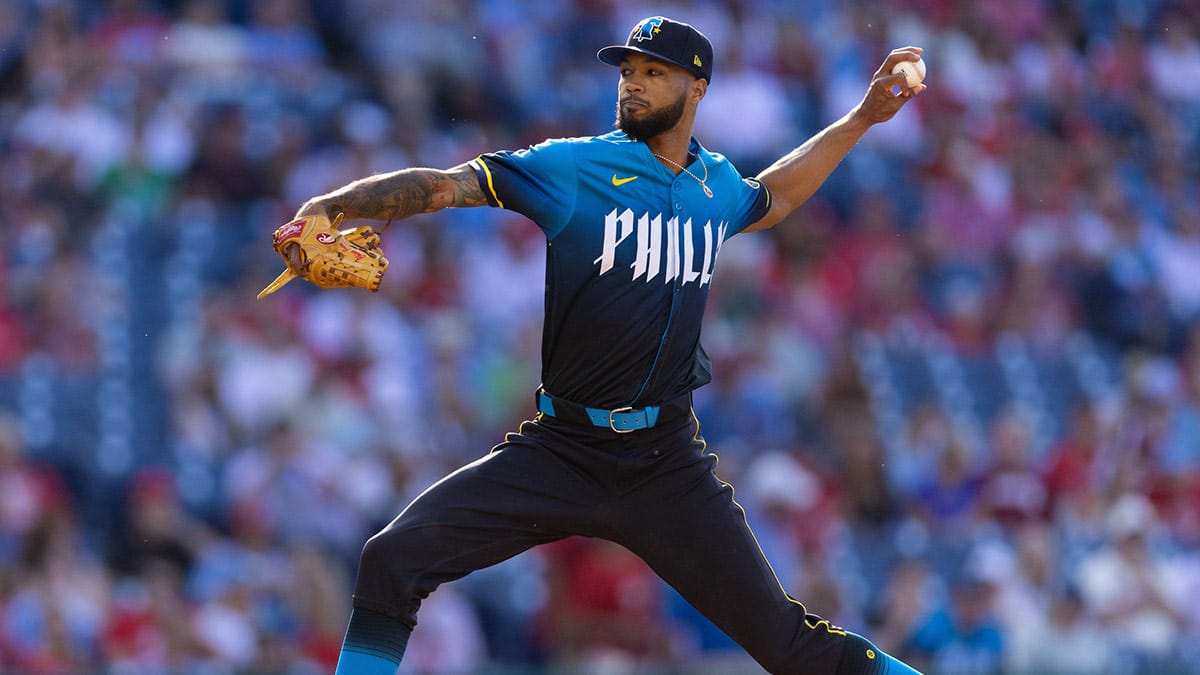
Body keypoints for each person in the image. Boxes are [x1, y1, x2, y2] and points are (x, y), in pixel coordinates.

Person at [289, 16, 925, 675]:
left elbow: (779, 193)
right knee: (392, 557)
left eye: (654, 72)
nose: (634, 84)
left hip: (665, 462)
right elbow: (449, 185)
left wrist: (862, 118)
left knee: (788, 641)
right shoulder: (573, 166)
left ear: (697, 87)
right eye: (627, 71)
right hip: (561, 447)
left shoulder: (715, 186)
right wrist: (333, 206)